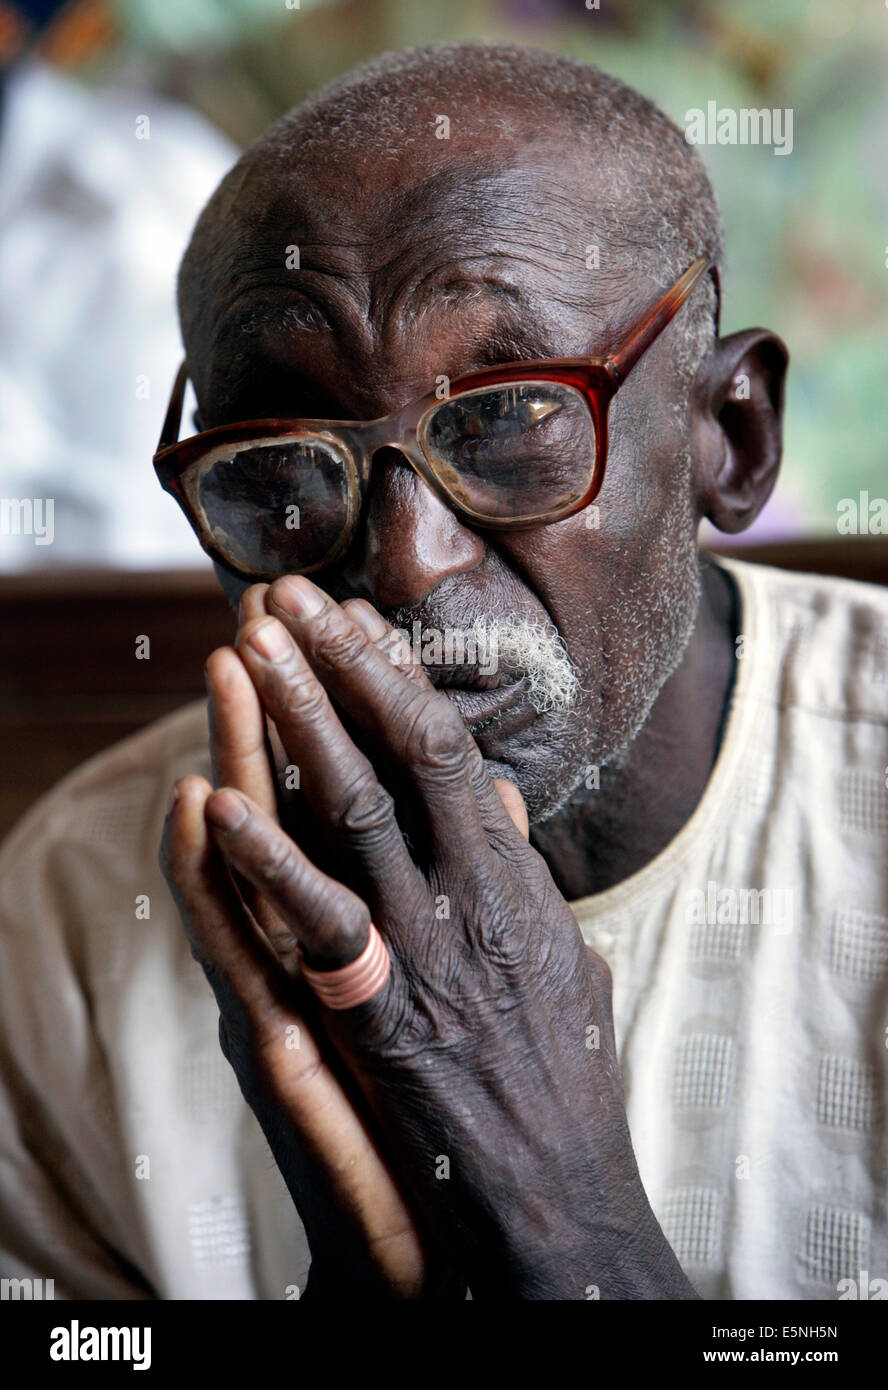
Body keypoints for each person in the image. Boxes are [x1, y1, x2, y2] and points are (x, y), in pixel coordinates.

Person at [1, 43, 885, 1301]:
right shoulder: (69, 920)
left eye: (511, 415)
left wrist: (566, 1223)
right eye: (284, 457)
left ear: (727, 438)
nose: (407, 566)